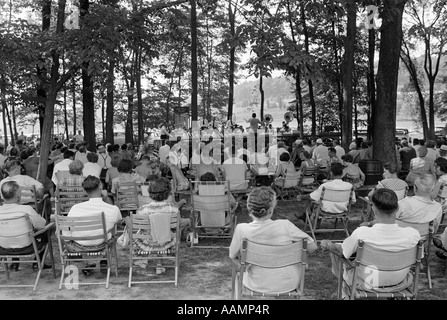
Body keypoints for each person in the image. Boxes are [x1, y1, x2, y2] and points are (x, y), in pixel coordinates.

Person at [320, 188, 421, 299]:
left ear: (373, 208)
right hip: (399, 282)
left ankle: (344, 294)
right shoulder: (413, 235)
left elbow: (343, 253)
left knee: (338, 251)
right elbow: (417, 261)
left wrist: (329, 245)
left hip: (367, 282)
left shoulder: (362, 233)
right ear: (397, 208)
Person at [229, 186, 317, 295]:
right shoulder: (286, 226)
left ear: (249, 208)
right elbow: (312, 247)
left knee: (239, 277)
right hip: (288, 282)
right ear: (271, 210)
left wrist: (246, 267)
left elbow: (233, 256)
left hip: (257, 283)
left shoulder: (241, 229)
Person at [65, 176, 122, 276]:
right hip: (102, 244)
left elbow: (67, 228)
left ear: (85, 190)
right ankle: (105, 259)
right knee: (112, 231)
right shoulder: (112, 209)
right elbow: (119, 220)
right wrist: (106, 198)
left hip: (79, 245)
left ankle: (84, 264)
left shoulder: (75, 208)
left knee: (66, 236)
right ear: (100, 186)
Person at [131, 177, 190, 271]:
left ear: (150, 193)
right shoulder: (173, 210)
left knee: (152, 233)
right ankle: (159, 265)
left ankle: (144, 260)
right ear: (167, 194)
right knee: (164, 232)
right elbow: (178, 225)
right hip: (167, 243)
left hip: (146, 244)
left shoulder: (142, 210)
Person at [0, 181, 50, 271]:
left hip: (3, 247)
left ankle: (14, 264)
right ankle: (37, 262)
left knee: (10, 231)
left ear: (2, 196)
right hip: (26, 247)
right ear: (18, 195)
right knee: (46, 230)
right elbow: (42, 225)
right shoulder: (26, 209)